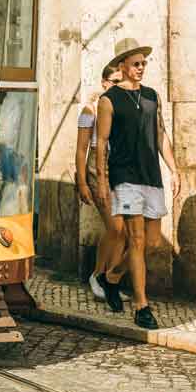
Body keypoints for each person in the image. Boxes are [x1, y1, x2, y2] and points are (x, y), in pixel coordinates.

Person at [95, 38, 180, 330]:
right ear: (123, 66)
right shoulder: (109, 100)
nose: (141, 68)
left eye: (144, 63)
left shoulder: (152, 96)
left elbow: (160, 135)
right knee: (137, 239)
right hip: (124, 175)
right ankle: (142, 305)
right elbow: (101, 143)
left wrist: (174, 169)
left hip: (151, 175)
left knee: (152, 242)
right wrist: (102, 180)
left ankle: (111, 277)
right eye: (136, 63)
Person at [76, 63, 129, 301]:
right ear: (105, 83)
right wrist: (83, 183)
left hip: (120, 169)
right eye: (115, 82)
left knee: (125, 231)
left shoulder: (123, 107)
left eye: (121, 81)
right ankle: (97, 275)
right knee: (115, 227)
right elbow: (80, 150)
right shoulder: (90, 111)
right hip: (97, 171)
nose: (119, 86)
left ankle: (110, 280)